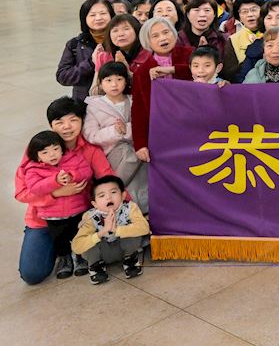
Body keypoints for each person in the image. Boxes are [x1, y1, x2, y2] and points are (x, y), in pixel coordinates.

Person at [19, 130, 94, 279]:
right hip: (52, 215)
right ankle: (64, 258)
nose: (52, 155)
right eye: (45, 152)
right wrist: (55, 182)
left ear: (62, 148)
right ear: (37, 156)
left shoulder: (74, 158)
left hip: (78, 210)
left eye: (55, 149)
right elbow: (35, 187)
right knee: (59, 238)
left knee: (79, 234)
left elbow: (87, 171)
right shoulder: (33, 169)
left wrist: (73, 175)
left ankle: (80, 256)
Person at [82, 61, 146, 210]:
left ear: (126, 81)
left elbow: (144, 125)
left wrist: (127, 129)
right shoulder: (94, 106)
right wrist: (116, 131)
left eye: (119, 79)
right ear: (100, 83)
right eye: (108, 80)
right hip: (112, 154)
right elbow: (91, 134)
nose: (114, 84)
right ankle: (113, 197)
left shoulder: (134, 100)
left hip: (137, 150)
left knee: (142, 183)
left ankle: (141, 211)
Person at [130, 17, 194, 164]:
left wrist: (173, 69)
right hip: (163, 130)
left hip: (193, 124)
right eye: (155, 36)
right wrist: (140, 144)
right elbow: (138, 110)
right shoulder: (142, 72)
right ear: (148, 42)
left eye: (166, 32)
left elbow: (203, 72)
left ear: (174, 34)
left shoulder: (190, 54)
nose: (163, 38)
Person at [70, 175, 149, 284]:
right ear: (95, 204)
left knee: (134, 231)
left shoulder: (130, 208)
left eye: (113, 192)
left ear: (123, 195)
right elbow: (76, 246)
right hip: (103, 254)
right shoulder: (90, 217)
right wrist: (102, 232)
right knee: (86, 243)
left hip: (124, 249)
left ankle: (130, 260)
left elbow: (144, 228)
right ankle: (96, 266)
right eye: (102, 195)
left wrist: (116, 229)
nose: (108, 198)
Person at [58, 0, 113, 100]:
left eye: (103, 13)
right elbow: (63, 76)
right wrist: (91, 63)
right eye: (92, 15)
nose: (98, 18)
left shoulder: (119, 40)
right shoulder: (75, 44)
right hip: (84, 102)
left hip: (118, 100)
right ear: (84, 18)